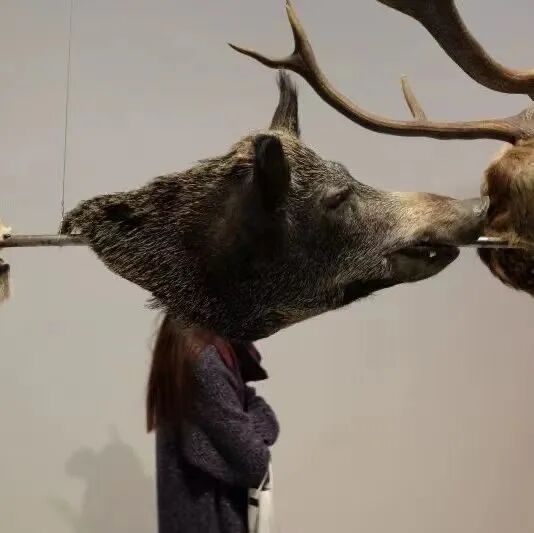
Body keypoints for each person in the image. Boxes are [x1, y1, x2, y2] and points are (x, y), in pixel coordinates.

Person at [146, 314, 279, 533]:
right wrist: (251, 429)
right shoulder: (202, 360)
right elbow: (255, 461)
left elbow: (257, 407)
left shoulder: (202, 342)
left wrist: (247, 426)